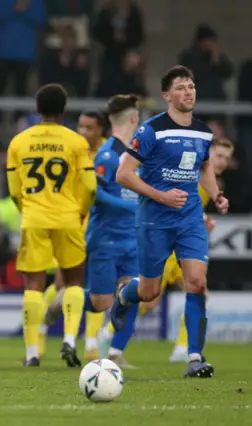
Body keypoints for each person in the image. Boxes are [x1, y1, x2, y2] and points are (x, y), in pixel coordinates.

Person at [110, 65, 229, 378]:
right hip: (154, 219)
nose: (188, 92)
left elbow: (204, 167)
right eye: (181, 87)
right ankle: (124, 295)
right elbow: (123, 174)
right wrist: (161, 196)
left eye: (191, 86)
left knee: (197, 283)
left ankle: (194, 357)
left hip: (189, 217)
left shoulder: (204, 131)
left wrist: (215, 195)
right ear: (166, 95)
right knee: (150, 292)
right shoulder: (151, 130)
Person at [98, 136, 234, 363]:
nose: (222, 162)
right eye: (218, 156)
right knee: (149, 299)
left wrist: (202, 221)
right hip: (164, 242)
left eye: (227, 158)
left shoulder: (212, 184)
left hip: (182, 247)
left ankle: (183, 350)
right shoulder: (188, 173)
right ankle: (110, 332)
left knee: (199, 289)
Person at [7, 83, 97, 367]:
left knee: (33, 284)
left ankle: (33, 352)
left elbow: (12, 190)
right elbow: (91, 187)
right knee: (74, 281)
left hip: (33, 218)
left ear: (37, 110)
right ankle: (70, 339)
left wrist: (28, 209)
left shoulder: (19, 142)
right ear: (63, 110)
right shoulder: (76, 142)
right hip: (68, 218)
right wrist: (80, 212)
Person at [40, 110, 107, 361]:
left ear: (101, 129)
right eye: (81, 126)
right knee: (62, 285)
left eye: (90, 127)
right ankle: (42, 325)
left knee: (99, 285)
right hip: (71, 224)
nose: (84, 132)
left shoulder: (110, 152)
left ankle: (91, 345)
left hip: (101, 228)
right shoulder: (68, 149)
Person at [80, 94, 141, 368]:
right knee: (100, 301)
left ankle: (115, 351)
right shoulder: (108, 154)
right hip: (106, 237)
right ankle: (65, 299)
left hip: (132, 238)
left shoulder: (138, 154)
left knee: (134, 291)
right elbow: (97, 194)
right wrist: (132, 207)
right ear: (132, 118)